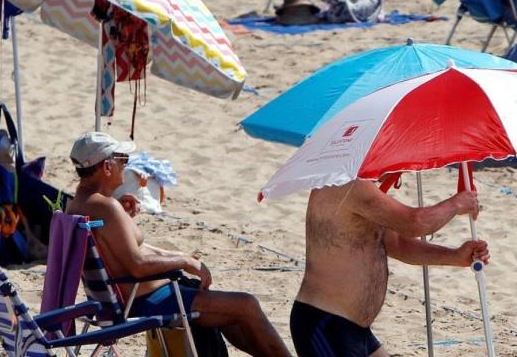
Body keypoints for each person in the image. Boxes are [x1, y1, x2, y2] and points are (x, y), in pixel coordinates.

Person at [65, 131, 292, 357]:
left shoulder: (79, 205)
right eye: (122, 159)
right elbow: (137, 264)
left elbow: (117, 252)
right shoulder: (105, 207)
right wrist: (184, 261)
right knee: (246, 305)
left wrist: (125, 221)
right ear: (107, 167)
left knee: (231, 315)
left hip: (118, 300)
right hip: (144, 301)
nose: (125, 164)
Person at [290, 180, 487, 356]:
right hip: (325, 324)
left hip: (357, 330)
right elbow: (414, 223)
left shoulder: (362, 187)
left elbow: (398, 244)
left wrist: (456, 256)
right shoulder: (347, 185)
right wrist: (456, 204)